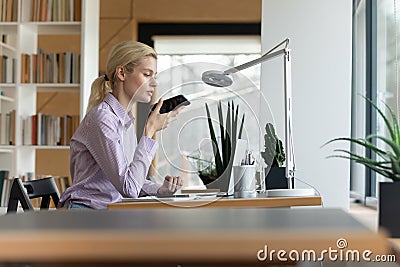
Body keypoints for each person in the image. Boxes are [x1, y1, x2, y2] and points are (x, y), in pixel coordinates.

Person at [58, 40, 183, 209]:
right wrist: (150, 130)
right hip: (86, 215)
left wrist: (160, 190)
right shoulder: (103, 119)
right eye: (147, 75)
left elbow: (131, 179)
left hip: (108, 212)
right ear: (122, 73)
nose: (154, 83)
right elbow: (129, 188)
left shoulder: (125, 120)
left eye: (155, 76)